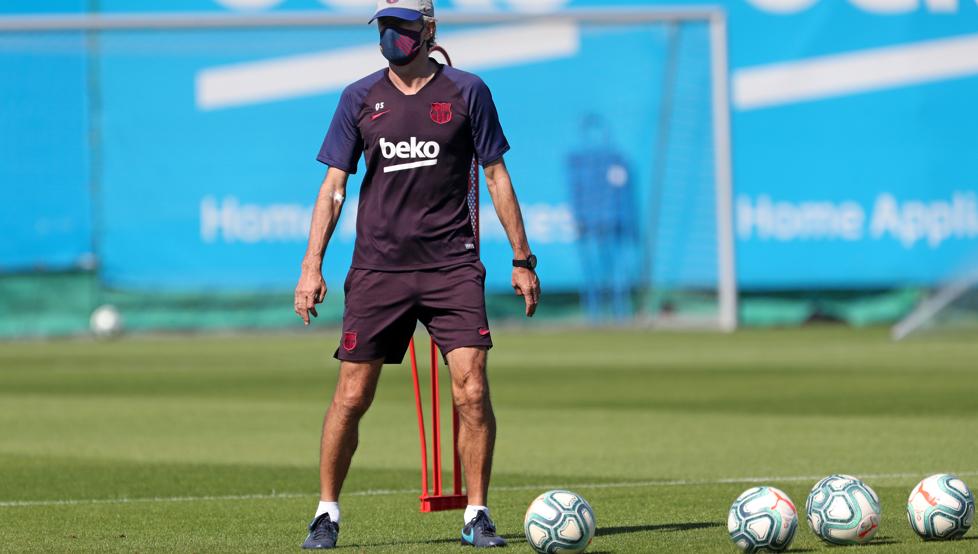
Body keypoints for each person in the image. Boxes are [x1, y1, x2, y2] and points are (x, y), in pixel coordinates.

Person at [293, 0, 541, 548]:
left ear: (428, 29)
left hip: (451, 266)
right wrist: (312, 265)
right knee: (352, 396)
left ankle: (476, 513)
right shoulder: (358, 97)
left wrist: (522, 259)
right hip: (378, 269)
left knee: (472, 390)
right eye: (384, 26)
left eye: (402, 26)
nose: (391, 36)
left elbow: (496, 176)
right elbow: (333, 188)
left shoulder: (467, 91)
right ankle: (326, 512)